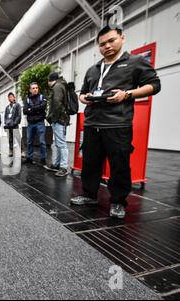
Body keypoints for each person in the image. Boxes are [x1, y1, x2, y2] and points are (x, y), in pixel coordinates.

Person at [70, 26, 161, 219]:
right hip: (92, 122)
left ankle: (118, 202)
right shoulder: (93, 70)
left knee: (119, 165)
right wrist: (84, 98)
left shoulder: (135, 62)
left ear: (122, 38)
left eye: (111, 41)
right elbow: (84, 93)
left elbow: (154, 85)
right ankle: (89, 195)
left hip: (117, 124)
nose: (107, 46)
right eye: (102, 44)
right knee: (90, 162)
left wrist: (127, 94)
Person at [45, 72, 70, 177]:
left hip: (59, 119)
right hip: (61, 119)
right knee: (59, 143)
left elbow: (57, 103)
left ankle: (63, 167)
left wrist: (53, 118)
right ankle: (57, 164)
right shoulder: (61, 85)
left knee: (61, 143)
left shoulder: (57, 87)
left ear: (51, 80)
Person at [23, 82, 47, 165]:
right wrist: (37, 109)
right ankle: (29, 158)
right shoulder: (27, 99)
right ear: (30, 90)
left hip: (40, 122)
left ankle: (43, 159)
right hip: (30, 124)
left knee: (42, 142)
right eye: (33, 88)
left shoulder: (42, 97)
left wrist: (31, 109)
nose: (35, 89)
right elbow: (25, 111)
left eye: (36, 88)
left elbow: (43, 107)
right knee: (29, 141)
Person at [4, 92, 22, 157]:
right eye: (9, 97)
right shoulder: (7, 107)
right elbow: (5, 116)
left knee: (18, 138)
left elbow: (19, 115)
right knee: (10, 139)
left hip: (14, 125)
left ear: (14, 97)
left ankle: (22, 151)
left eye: (11, 97)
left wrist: (15, 123)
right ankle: (11, 151)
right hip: (8, 126)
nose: (10, 98)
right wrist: (5, 124)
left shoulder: (17, 105)